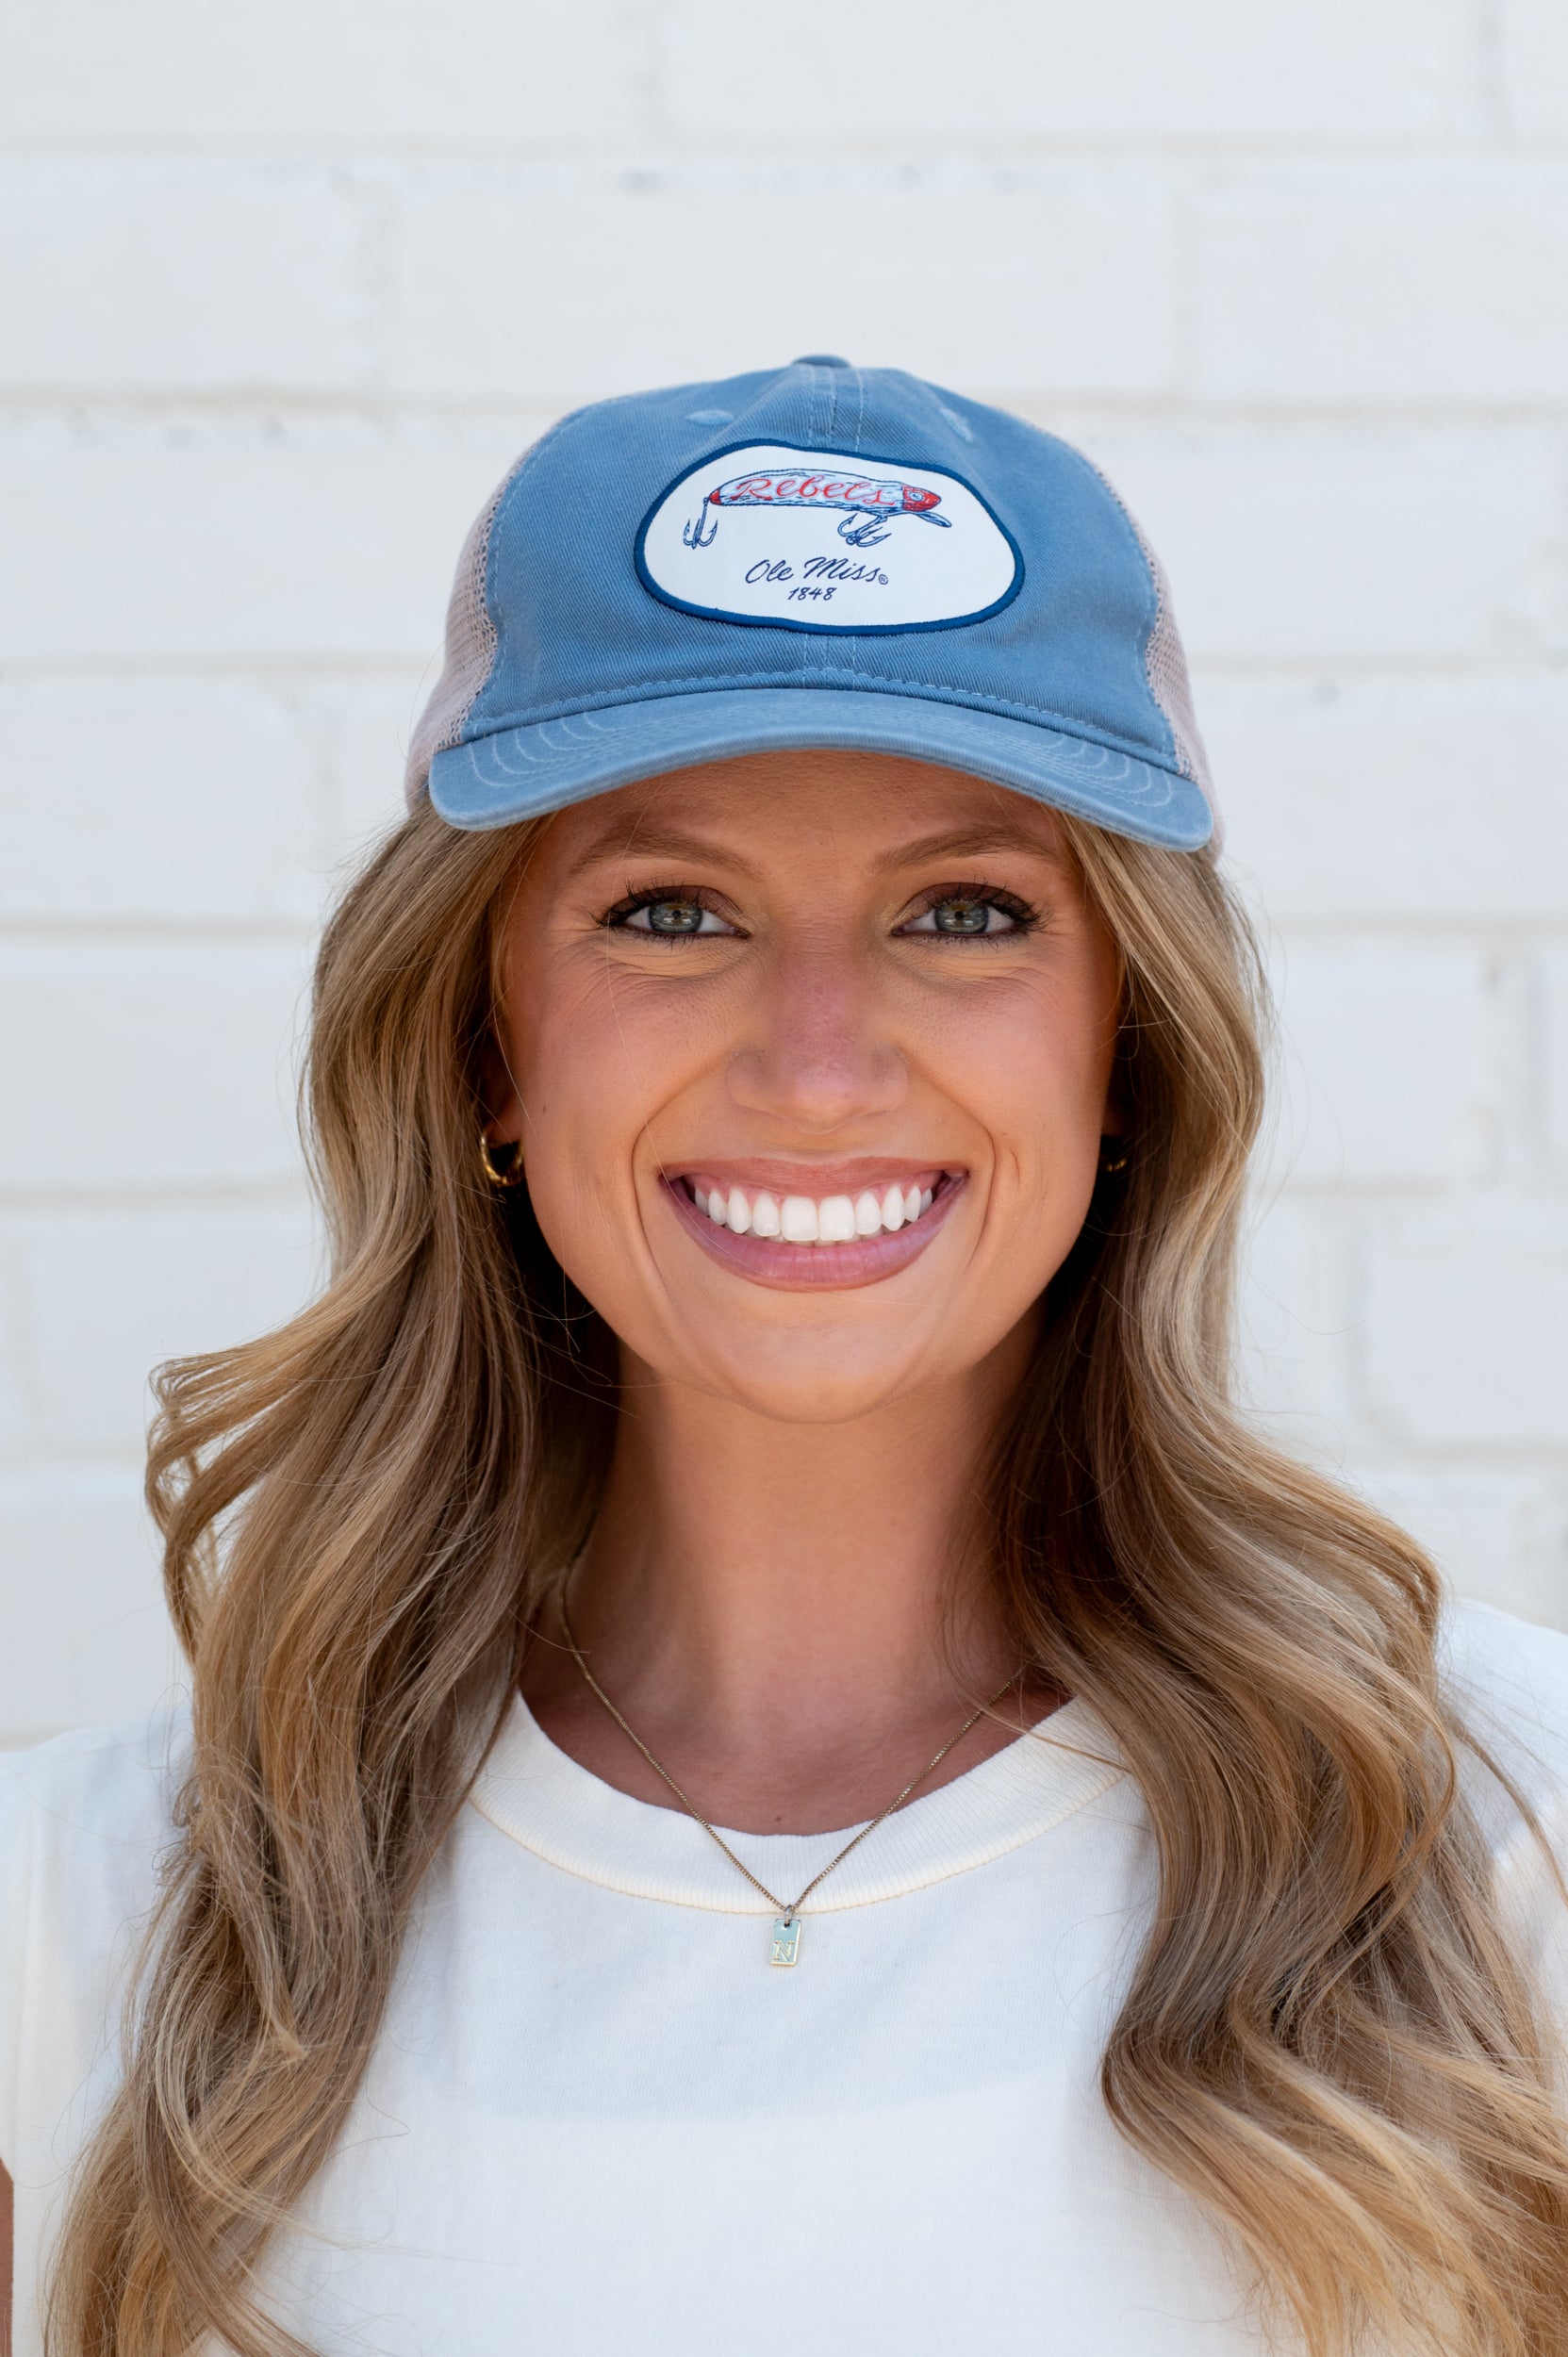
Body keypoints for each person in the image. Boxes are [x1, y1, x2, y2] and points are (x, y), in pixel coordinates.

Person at [3, 358, 1566, 2357]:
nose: (818, 1063)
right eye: (670, 909)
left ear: (1125, 1052)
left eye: (965, 911)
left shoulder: (1501, 1838)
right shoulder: (86, 1921)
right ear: (485, 1040)